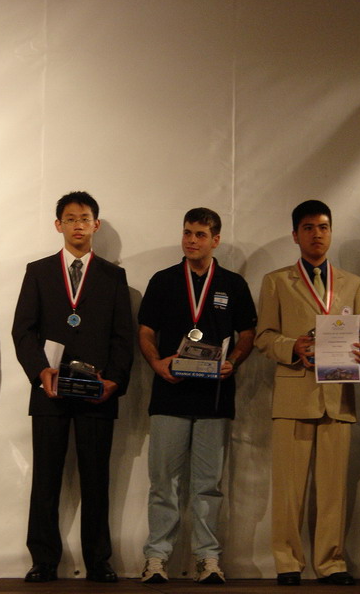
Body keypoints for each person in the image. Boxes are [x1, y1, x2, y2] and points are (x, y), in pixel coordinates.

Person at [12, 191, 133, 583]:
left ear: (95, 225)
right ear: (58, 225)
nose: (78, 225)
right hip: (50, 389)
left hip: (97, 392)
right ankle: (43, 559)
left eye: (84, 219)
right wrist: (40, 371)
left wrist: (115, 380)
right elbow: (23, 330)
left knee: (96, 478)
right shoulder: (39, 271)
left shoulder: (113, 276)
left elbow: (122, 336)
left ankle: (98, 560)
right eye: (70, 218)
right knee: (46, 477)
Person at [138, 207, 256, 585]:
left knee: (208, 484)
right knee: (163, 482)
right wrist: (156, 363)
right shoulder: (163, 281)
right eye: (187, 233)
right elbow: (145, 331)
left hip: (213, 397)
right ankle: (157, 558)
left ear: (215, 240)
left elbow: (248, 334)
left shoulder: (233, 284)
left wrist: (234, 361)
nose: (191, 240)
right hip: (169, 393)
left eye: (200, 235)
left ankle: (208, 558)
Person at [255, 200, 360, 586]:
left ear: (331, 232)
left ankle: (331, 563)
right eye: (308, 228)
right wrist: (293, 346)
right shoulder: (275, 281)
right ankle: (287, 562)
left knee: (334, 489)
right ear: (295, 235)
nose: (316, 234)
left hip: (338, 394)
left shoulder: (352, 283)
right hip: (294, 393)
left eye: (323, 227)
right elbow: (264, 336)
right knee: (289, 488)